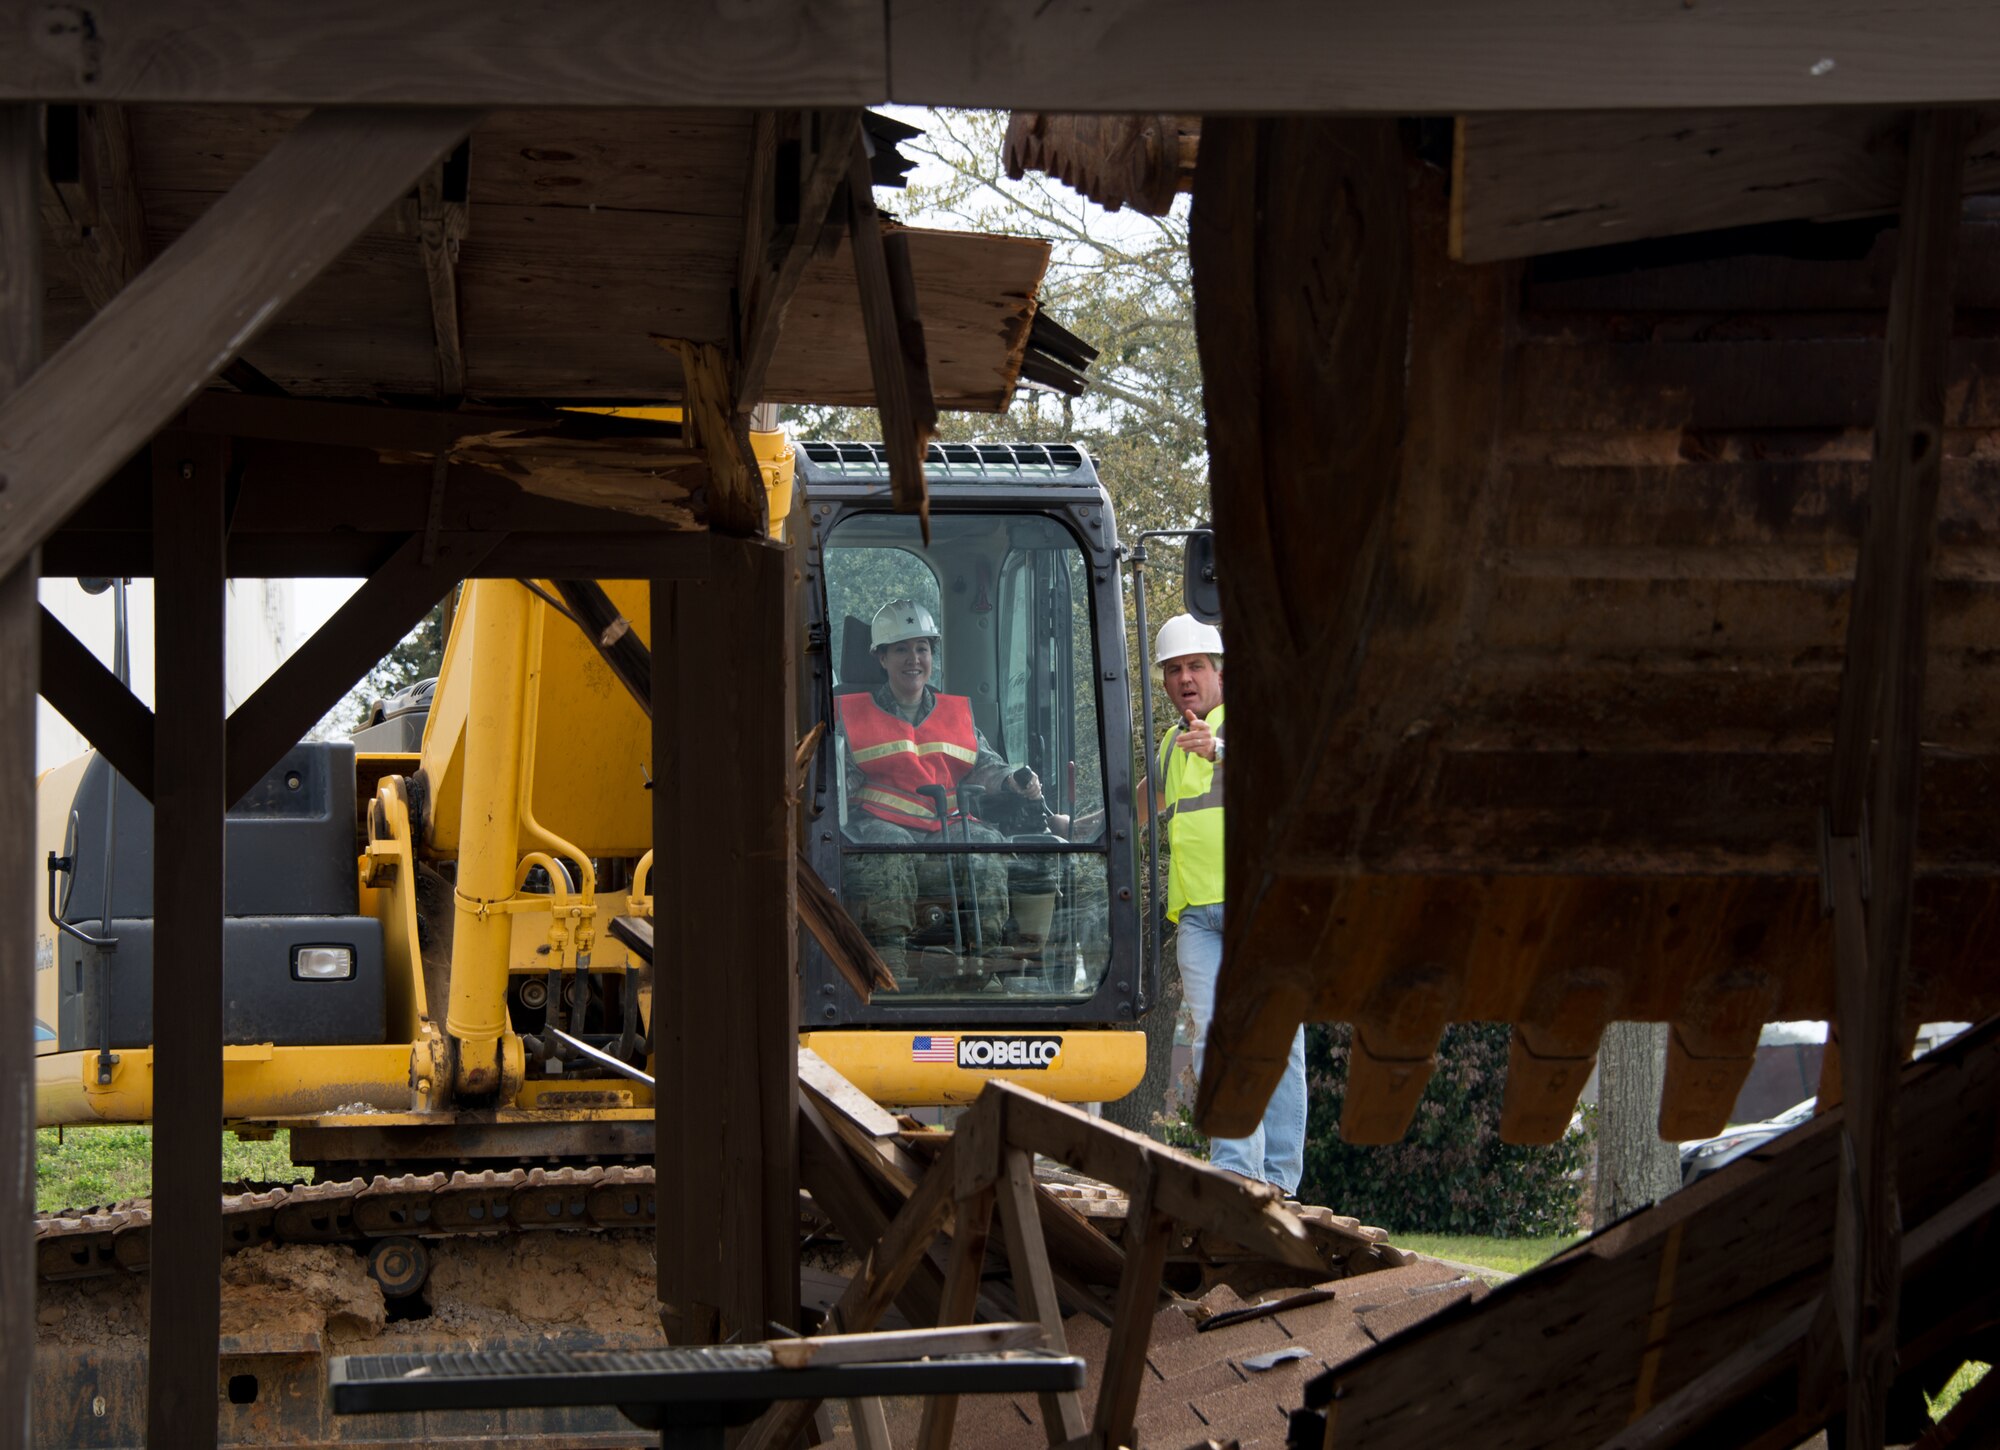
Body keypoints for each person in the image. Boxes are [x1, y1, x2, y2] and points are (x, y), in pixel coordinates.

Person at [1152, 613, 1306, 1196]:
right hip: (1197, 915)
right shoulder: (1170, 743)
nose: (1184, 678)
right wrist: (1063, 821)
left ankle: (1277, 1180)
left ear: (1219, 673)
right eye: (1173, 670)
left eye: (1195, 666)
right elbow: (1141, 807)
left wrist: (1216, 749)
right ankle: (1239, 1172)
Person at [837, 599, 1042, 970]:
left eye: (922, 648)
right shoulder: (852, 716)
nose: (913, 659)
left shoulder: (956, 714)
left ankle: (986, 959)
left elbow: (984, 766)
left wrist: (1013, 782)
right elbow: (839, 781)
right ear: (881, 658)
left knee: (986, 845)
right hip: (881, 828)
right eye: (901, 649)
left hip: (943, 829)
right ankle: (892, 962)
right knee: (890, 850)